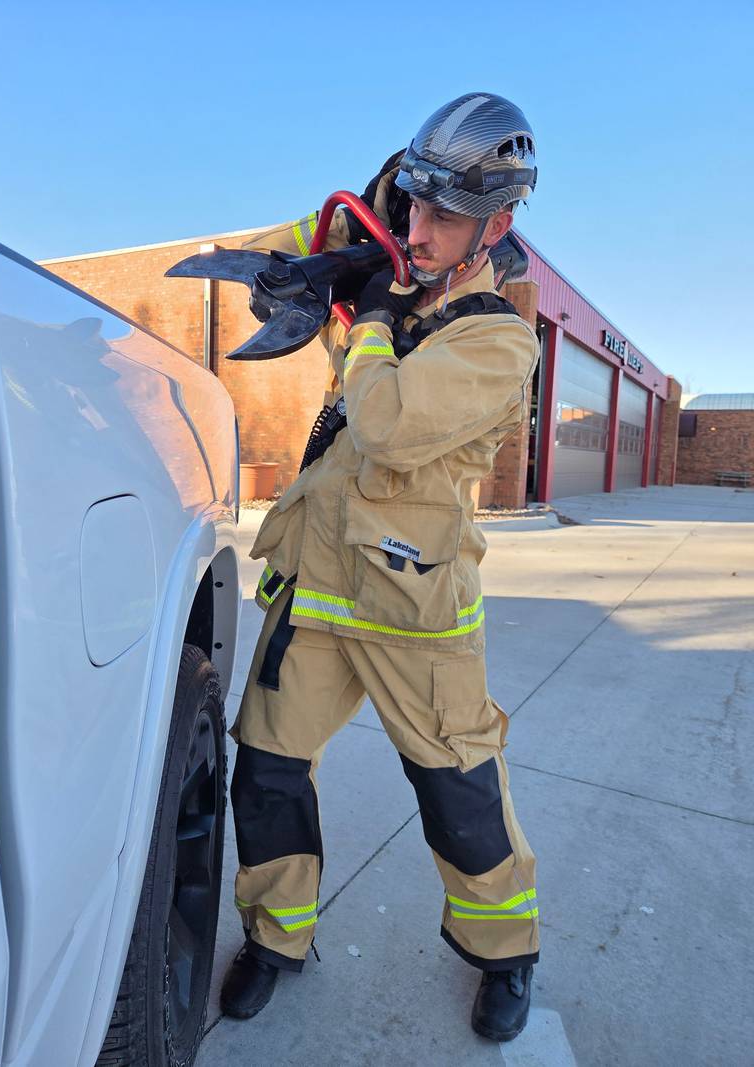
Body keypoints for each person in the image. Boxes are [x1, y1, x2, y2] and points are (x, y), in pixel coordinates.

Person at [222, 92, 541, 1043]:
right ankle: (277, 938)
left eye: (445, 214)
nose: (419, 228)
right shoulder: (389, 274)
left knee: (462, 801)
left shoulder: (496, 338)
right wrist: (304, 266)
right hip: (317, 592)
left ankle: (506, 951)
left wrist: (362, 316)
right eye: (413, 204)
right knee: (268, 773)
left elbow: (390, 419)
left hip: (417, 613)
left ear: (500, 222)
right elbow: (297, 245)